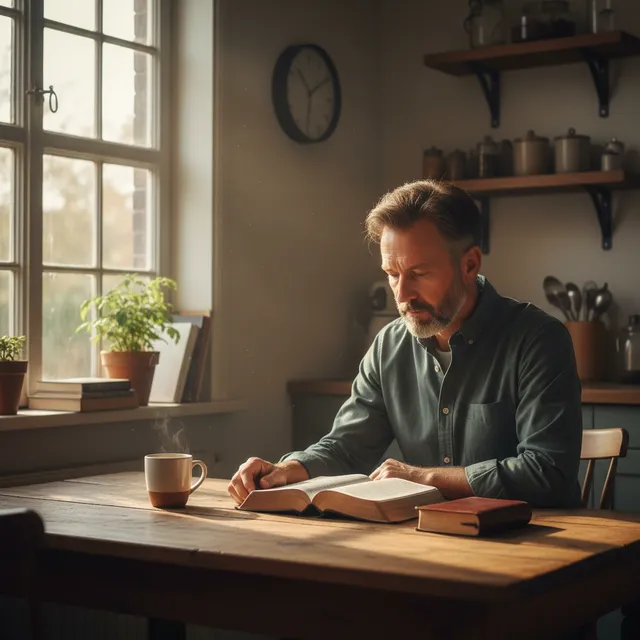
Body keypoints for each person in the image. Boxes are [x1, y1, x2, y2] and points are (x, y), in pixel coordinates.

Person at [228, 180, 583, 508]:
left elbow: (547, 472)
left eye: (419, 273)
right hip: (430, 540)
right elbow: (349, 446)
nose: (403, 295)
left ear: (469, 264)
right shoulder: (389, 345)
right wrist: (289, 468)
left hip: (537, 544)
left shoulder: (538, 340)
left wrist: (420, 477)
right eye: (392, 274)